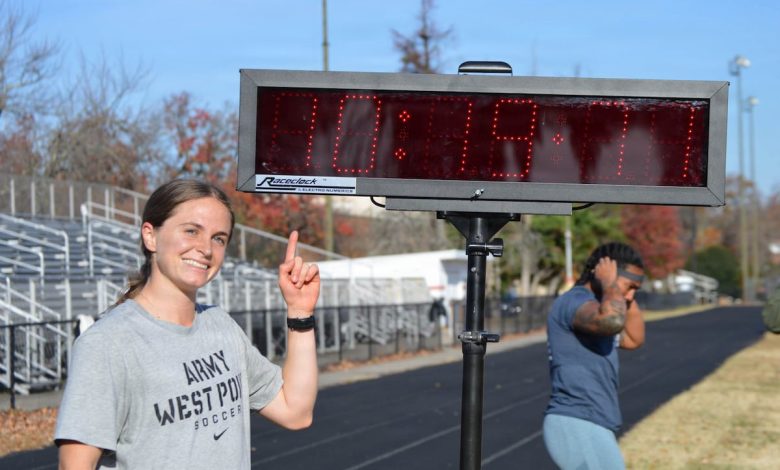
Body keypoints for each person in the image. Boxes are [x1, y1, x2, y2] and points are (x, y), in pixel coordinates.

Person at [55, 179, 320, 469]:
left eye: (219, 238)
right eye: (192, 231)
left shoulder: (221, 326)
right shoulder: (107, 344)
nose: (206, 248)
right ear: (150, 236)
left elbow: (296, 412)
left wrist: (300, 312)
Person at [543, 242, 645, 469]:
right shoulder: (575, 301)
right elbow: (612, 321)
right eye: (629, 287)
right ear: (604, 273)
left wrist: (624, 292)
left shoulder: (601, 306)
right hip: (577, 421)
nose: (630, 296)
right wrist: (610, 284)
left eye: (636, 290)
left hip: (590, 422)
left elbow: (634, 339)